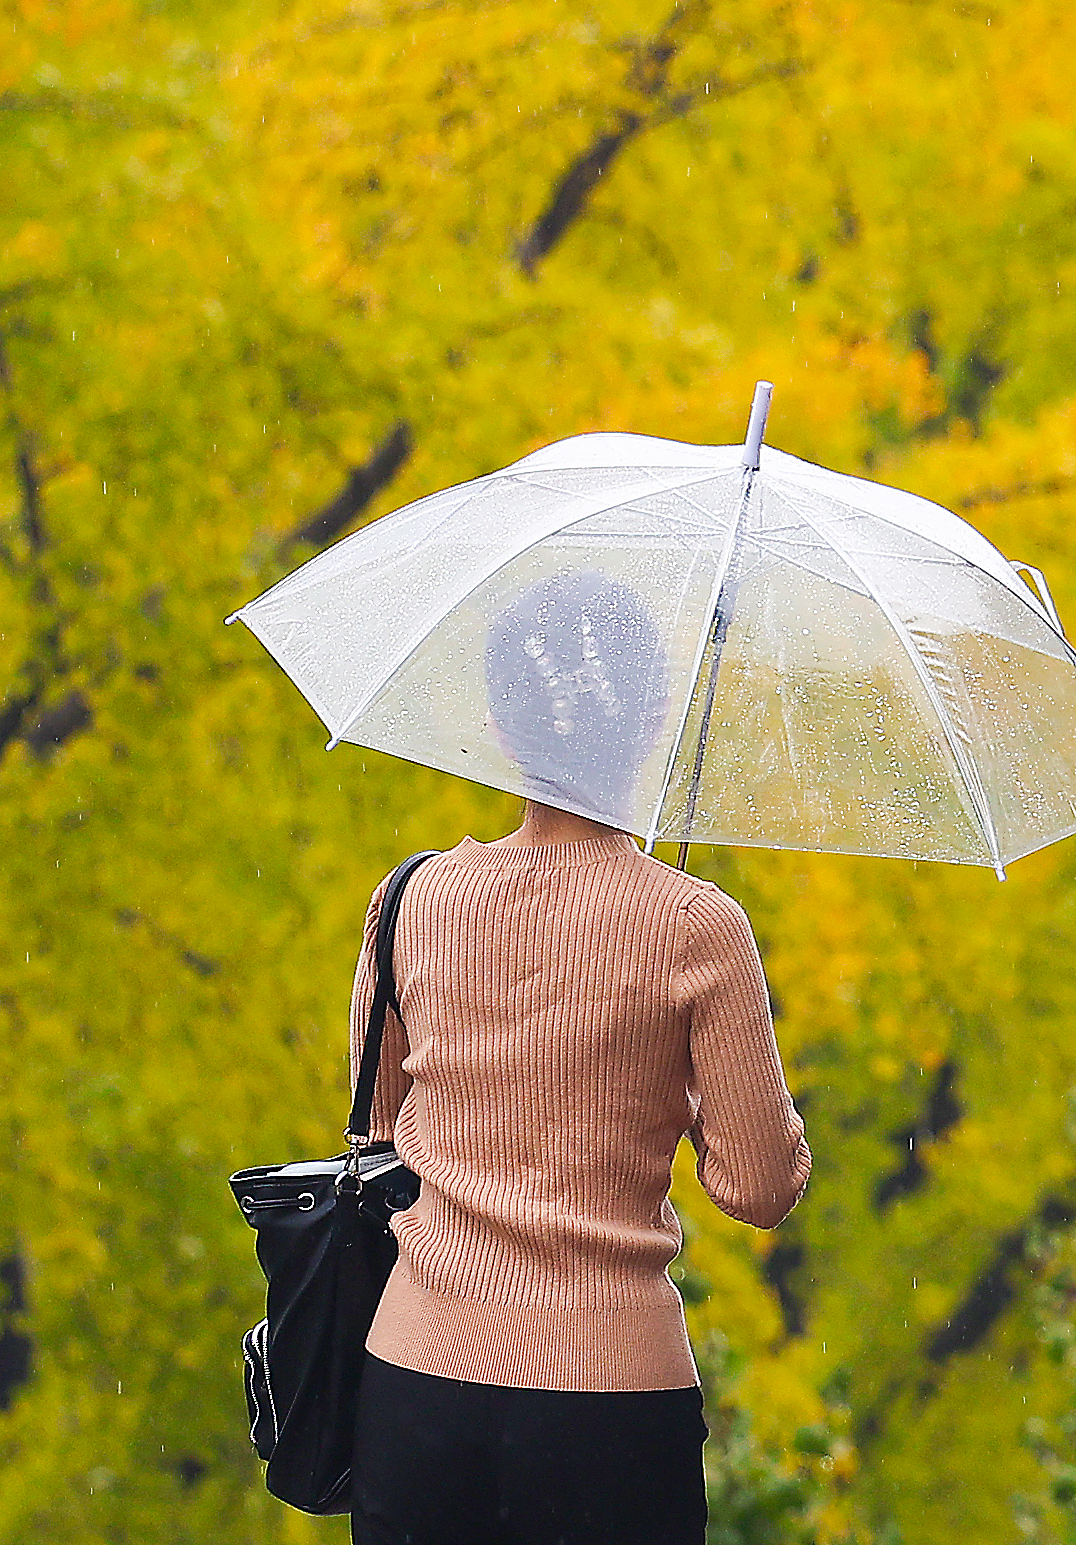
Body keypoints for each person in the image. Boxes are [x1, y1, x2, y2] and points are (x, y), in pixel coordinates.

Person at [346, 569, 812, 1544]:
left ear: (500, 726)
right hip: (605, 1402)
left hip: (416, 1389)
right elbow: (759, 1188)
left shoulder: (410, 901)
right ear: (653, 724)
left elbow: (380, 1133)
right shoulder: (696, 926)